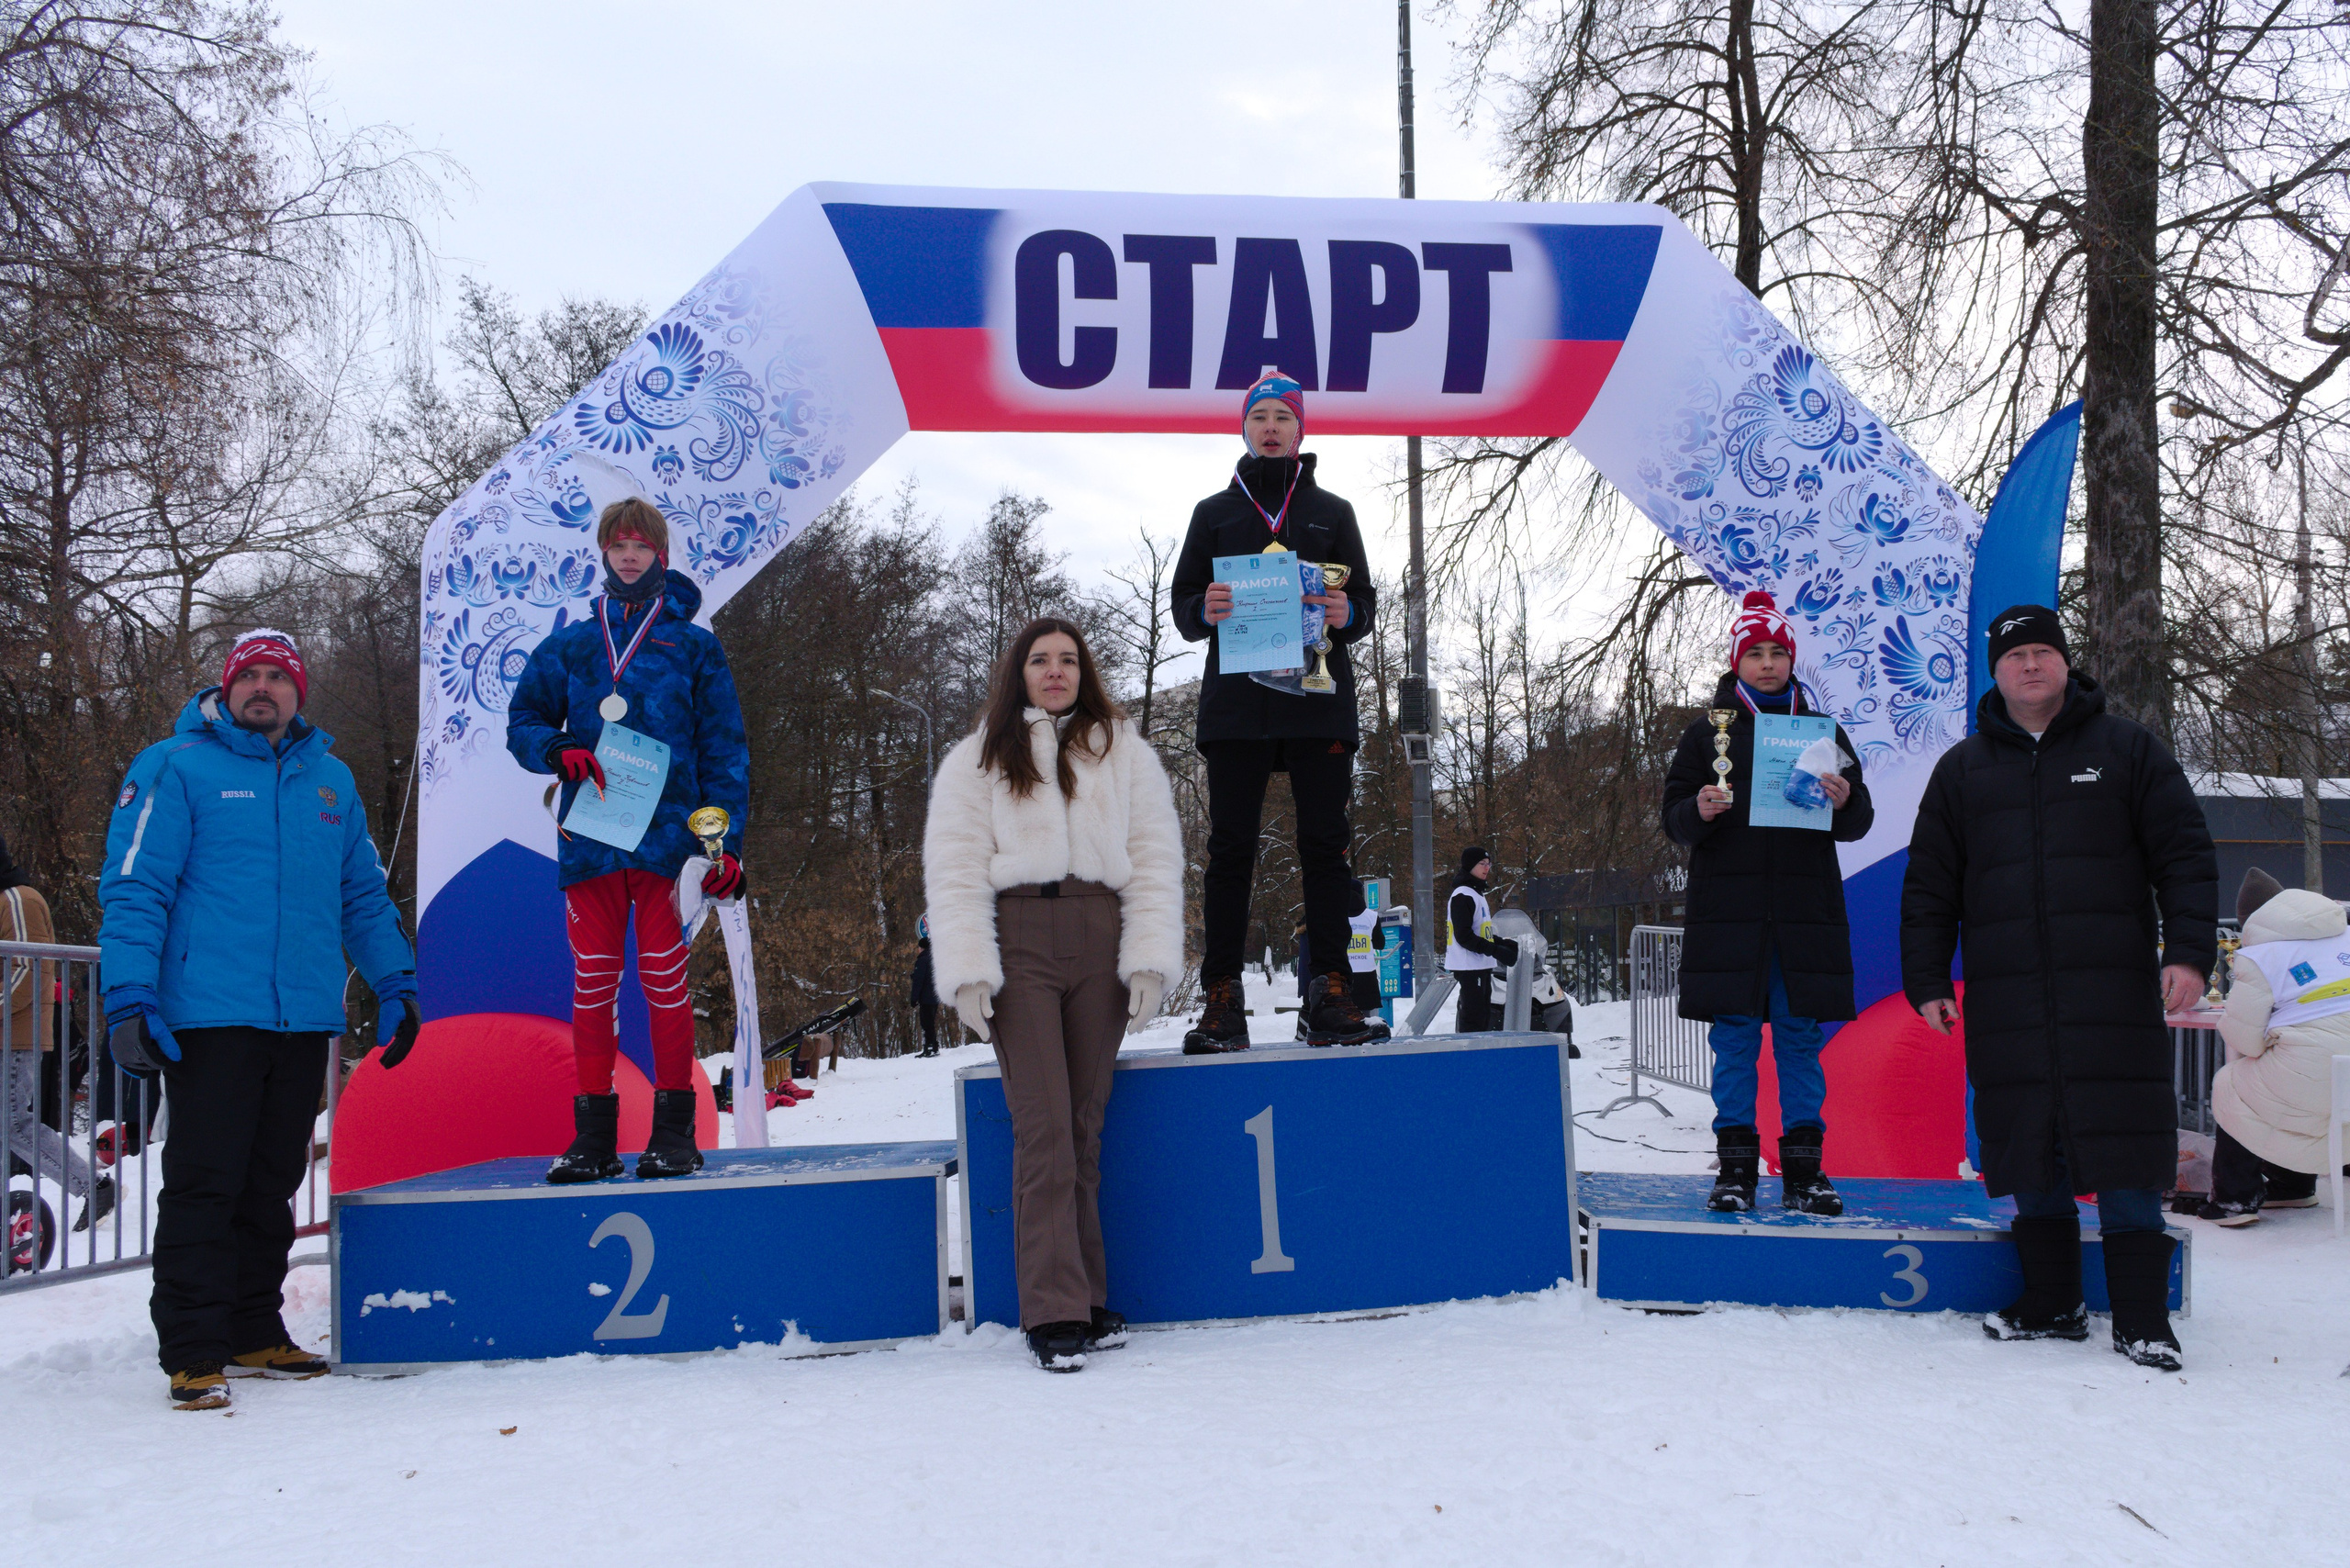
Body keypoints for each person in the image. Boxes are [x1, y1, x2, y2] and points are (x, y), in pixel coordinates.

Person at [99, 629, 420, 1410]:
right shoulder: (175, 767)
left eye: (279, 677)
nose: (264, 689)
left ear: (298, 692)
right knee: (206, 1182)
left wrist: (397, 983)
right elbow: (136, 888)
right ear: (227, 687)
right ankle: (193, 1347)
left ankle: (251, 1329)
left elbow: (362, 898)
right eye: (252, 677)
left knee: (272, 1181)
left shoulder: (331, 782)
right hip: (207, 1014)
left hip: (301, 1015)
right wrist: (129, 998)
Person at [1901, 604, 2215, 1372]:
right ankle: (2052, 1302)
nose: (2031, 665)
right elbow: (1929, 887)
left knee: (2125, 1144)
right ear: (1997, 671)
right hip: (2009, 997)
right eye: (2016, 656)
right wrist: (1926, 977)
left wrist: (2191, 954)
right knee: (2026, 1143)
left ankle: (2142, 1319)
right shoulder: (1964, 769)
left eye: (2044, 652)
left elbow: (2184, 856)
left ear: (2065, 664)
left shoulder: (2126, 750)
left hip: (2110, 992)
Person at [923, 618, 1183, 1371]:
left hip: (1100, 932)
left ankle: (1087, 1296)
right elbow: (957, 867)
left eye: (1069, 659)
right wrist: (970, 968)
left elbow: (1154, 855)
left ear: (1086, 671)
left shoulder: (1124, 753)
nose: (1056, 671)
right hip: (1020, 938)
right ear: (1020, 673)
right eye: (1041, 660)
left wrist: (1148, 959)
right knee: (1043, 1131)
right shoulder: (977, 759)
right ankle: (1054, 1311)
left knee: (1083, 1127)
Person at [507, 498, 748, 1185]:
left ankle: (672, 1134)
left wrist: (724, 847)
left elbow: (725, 751)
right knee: (592, 987)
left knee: (666, 985)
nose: (630, 555)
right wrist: (556, 749)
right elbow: (523, 718)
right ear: (604, 554)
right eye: (619, 545)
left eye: (642, 545)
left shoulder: (693, 646)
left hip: (668, 843)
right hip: (591, 841)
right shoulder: (573, 646)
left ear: (661, 555)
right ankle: (594, 1139)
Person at [1172, 373, 1387, 1050]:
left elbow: (1366, 607)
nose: (1271, 426)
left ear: (1300, 430)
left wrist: (1345, 611)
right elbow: (1183, 607)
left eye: (1282, 417)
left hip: (1317, 704)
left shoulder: (1333, 510)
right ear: (1243, 428)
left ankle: (1329, 990)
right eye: (1259, 416)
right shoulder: (1212, 512)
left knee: (1326, 850)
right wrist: (1201, 610)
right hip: (1237, 707)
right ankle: (1222, 996)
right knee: (1229, 852)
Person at [1662, 591, 1872, 1215]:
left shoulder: (1824, 731)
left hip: (1804, 917)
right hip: (1731, 919)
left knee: (1801, 1042)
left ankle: (1806, 1174)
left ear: (1791, 659)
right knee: (1734, 1043)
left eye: (1778, 652)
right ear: (1737, 661)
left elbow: (1858, 819)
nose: (1768, 663)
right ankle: (1736, 1171)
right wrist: (1696, 811)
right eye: (1755, 653)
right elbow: (1673, 817)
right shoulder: (1707, 733)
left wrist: (1843, 801)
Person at [2200, 868, 2337, 1225]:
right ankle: (2293, 1185)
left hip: (2316, 1073)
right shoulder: (2346, 936)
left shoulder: (2262, 955)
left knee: (2235, 1084)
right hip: (2346, 1075)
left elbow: (2245, 1039)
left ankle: (2234, 1200)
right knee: (2284, 1084)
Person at [3, 834, 110, 1234]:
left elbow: (25, 970)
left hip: (14, 1034)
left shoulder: (18, 899)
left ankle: (94, 1185)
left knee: (12, 1123)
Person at [1446, 848, 1520, 1033]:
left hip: (1479, 965)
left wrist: (1501, 943)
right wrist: (1496, 950)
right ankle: (1470, 1058)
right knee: (1474, 1019)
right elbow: (1464, 936)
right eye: (1482, 864)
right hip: (1469, 965)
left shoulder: (1476, 893)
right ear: (1470, 866)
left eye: (1489, 864)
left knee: (1483, 1017)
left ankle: (1478, 1055)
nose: (1487, 868)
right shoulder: (1463, 895)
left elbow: (1481, 933)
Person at [912, 917, 940, 1058]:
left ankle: (929, 1047)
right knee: (931, 1022)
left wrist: (914, 998)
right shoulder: (935, 959)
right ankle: (933, 1046)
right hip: (935, 996)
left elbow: (919, 980)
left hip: (926, 997)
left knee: (926, 1023)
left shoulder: (922, 960)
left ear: (921, 947)